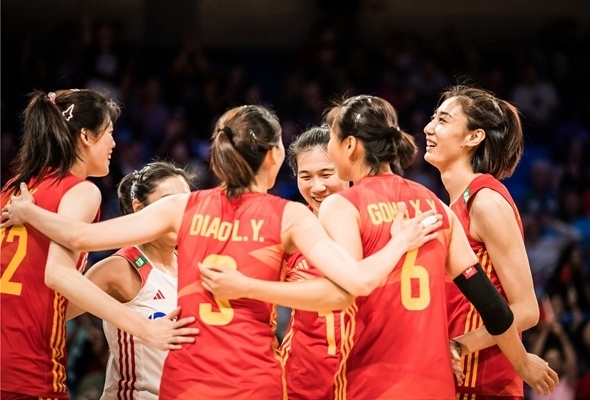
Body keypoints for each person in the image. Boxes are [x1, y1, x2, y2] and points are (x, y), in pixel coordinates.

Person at [0, 104, 442, 399]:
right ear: (275, 156)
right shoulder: (291, 217)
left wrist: (30, 211)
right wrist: (399, 243)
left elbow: (79, 238)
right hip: (254, 382)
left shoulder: (181, 207)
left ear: (218, 158)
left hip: (186, 384)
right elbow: (354, 285)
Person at [199, 95, 559, 399]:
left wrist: (245, 286)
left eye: (332, 142)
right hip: (436, 383)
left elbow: (347, 289)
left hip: (374, 379)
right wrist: (521, 359)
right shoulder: (435, 205)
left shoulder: (344, 206)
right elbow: (494, 307)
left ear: (350, 146)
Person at [0, 89, 197, 400]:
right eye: (109, 132)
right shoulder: (81, 191)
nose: (114, 143)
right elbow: (58, 274)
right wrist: (145, 328)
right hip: (28, 367)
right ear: (86, 137)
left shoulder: (15, 188)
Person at [423, 84, 544, 399]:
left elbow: (527, 310)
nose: (428, 128)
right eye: (433, 118)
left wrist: (460, 345)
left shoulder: (486, 201)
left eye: (443, 120)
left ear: (474, 137)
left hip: (485, 384)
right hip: (450, 380)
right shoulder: (453, 206)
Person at [65, 161, 195, 399]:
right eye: (170, 202)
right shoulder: (119, 268)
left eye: (186, 203)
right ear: (139, 208)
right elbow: (53, 315)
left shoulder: (194, 267)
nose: (180, 212)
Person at [278, 126, 350, 399]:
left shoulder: (379, 223)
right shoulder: (288, 232)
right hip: (301, 381)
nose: (317, 187)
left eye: (327, 174)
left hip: (366, 376)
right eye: (306, 177)